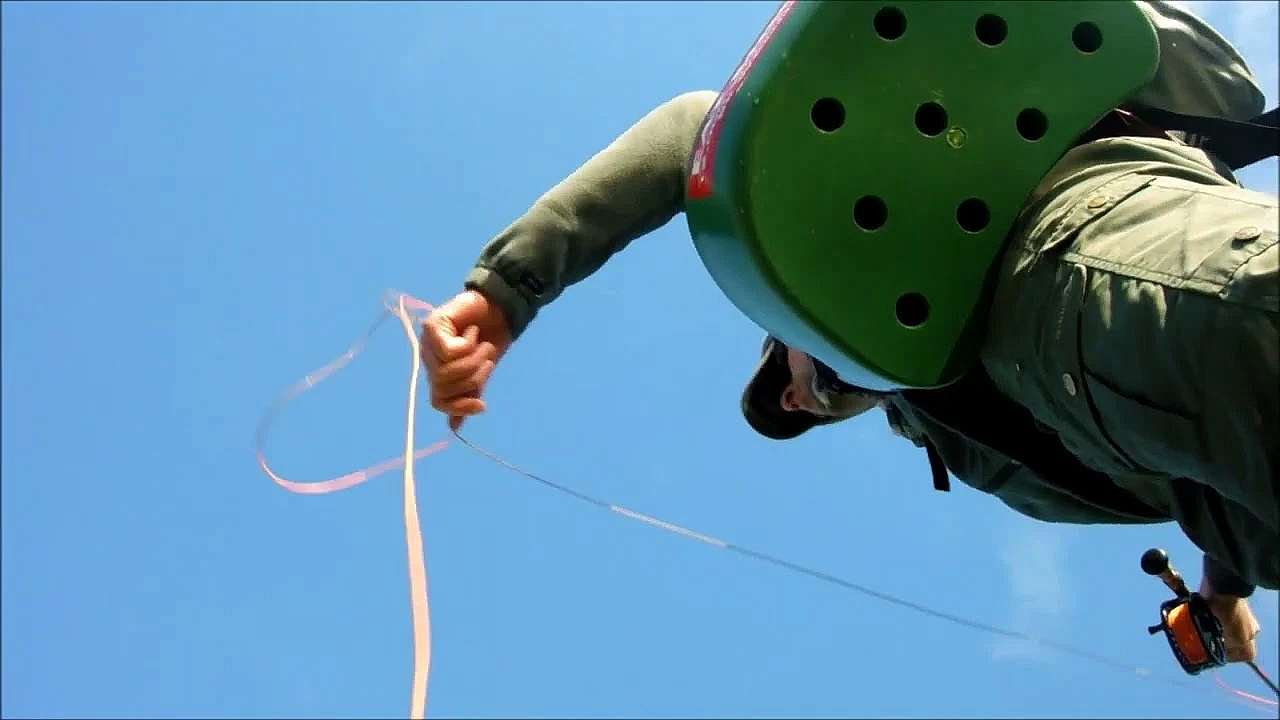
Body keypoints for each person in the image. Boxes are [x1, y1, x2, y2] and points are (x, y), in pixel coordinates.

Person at [418, 1, 1277, 666]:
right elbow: (1199, 478)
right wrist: (1222, 590)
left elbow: (699, 134)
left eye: (785, 376)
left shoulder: (925, 197)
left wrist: (505, 292)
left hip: (1082, 230)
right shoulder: (953, 425)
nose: (796, 398)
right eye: (803, 409)